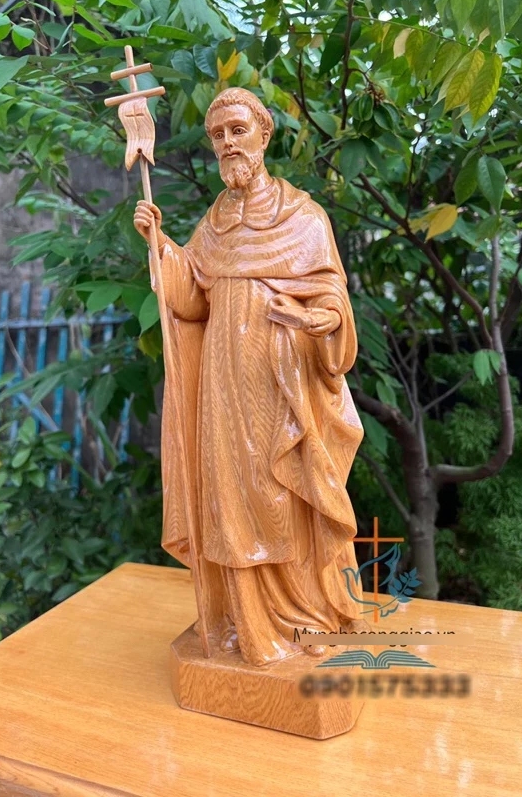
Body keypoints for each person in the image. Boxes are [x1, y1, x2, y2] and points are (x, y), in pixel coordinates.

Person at [133, 87, 366, 667]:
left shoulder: (303, 217)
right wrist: (161, 248)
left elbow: (331, 294)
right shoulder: (214, 223)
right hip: (222, 384)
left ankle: (306, 616)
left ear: (264, 134)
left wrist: (320, 319)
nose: (228, 144)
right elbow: (192, 300)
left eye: (238, 130)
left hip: (281, 383)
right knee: (231, 497)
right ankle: (249, 627)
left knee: (283, 494)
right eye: (218, 135)